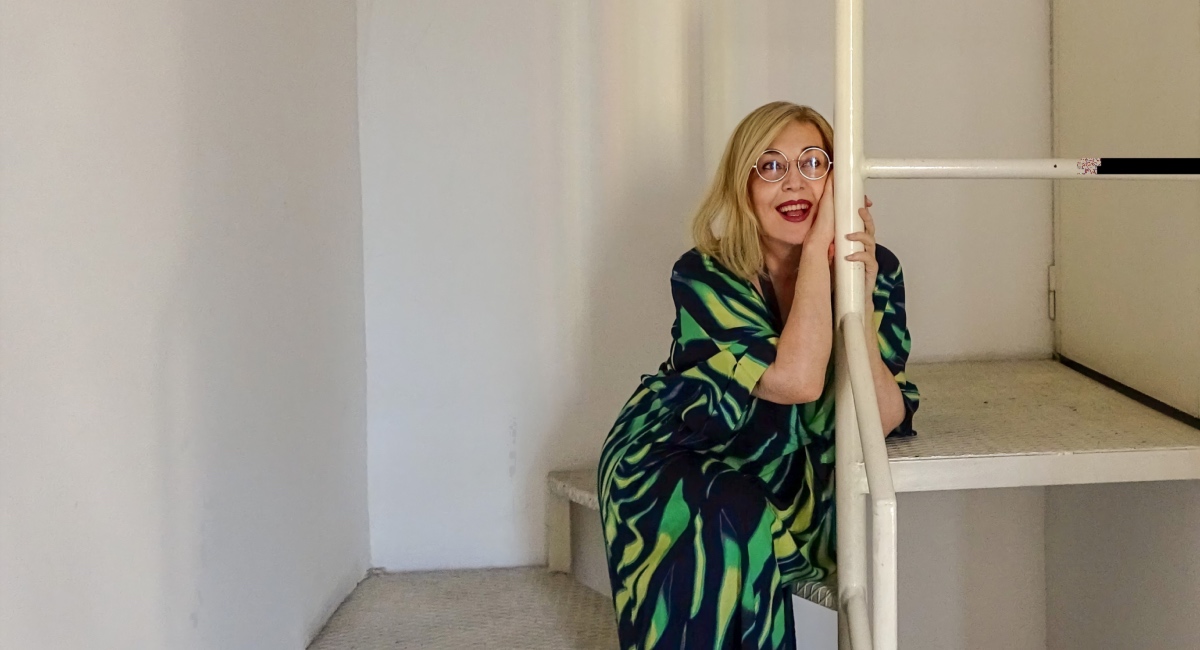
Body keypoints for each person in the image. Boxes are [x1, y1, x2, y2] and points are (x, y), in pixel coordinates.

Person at [596, 101, 920, 650]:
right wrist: (818, 251)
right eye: (770, 166)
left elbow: (883, 415)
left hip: (789, 477)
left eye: (813, 163)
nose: (794, 183)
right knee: (730, 518)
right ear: (742, 185)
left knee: (743, 514)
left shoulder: (875, 267)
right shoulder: (704, 272)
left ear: (837, 180)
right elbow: (797, 382)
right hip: (679, 451)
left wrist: (859, 300)